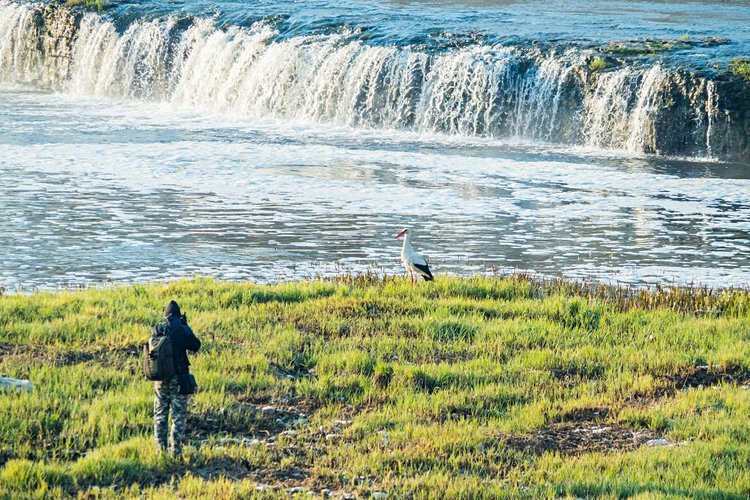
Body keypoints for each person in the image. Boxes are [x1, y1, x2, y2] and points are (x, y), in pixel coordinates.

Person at [153, 300, 201, 457]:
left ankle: (160, 452)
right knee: (177, 417)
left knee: (160, 416)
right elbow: (196, 345)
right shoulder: (180, 329)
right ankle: (176, 453)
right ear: (179, 315)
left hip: (159, 380)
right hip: (178, 380)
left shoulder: (158, 329)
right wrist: (186, 326)